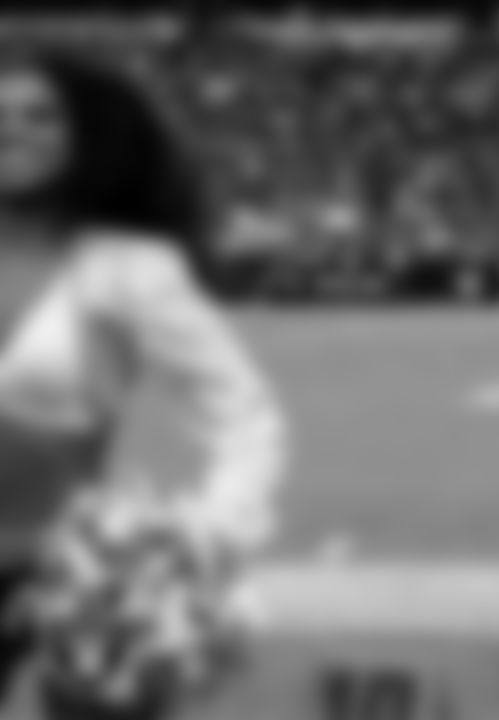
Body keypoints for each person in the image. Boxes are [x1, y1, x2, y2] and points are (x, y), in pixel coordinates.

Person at [0, 48, 287, 717]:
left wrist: (211, 533)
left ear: (85, 137)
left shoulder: (128, 267)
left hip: (64, 579)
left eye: (41, 116)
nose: (11, 128)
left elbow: (245, 414)